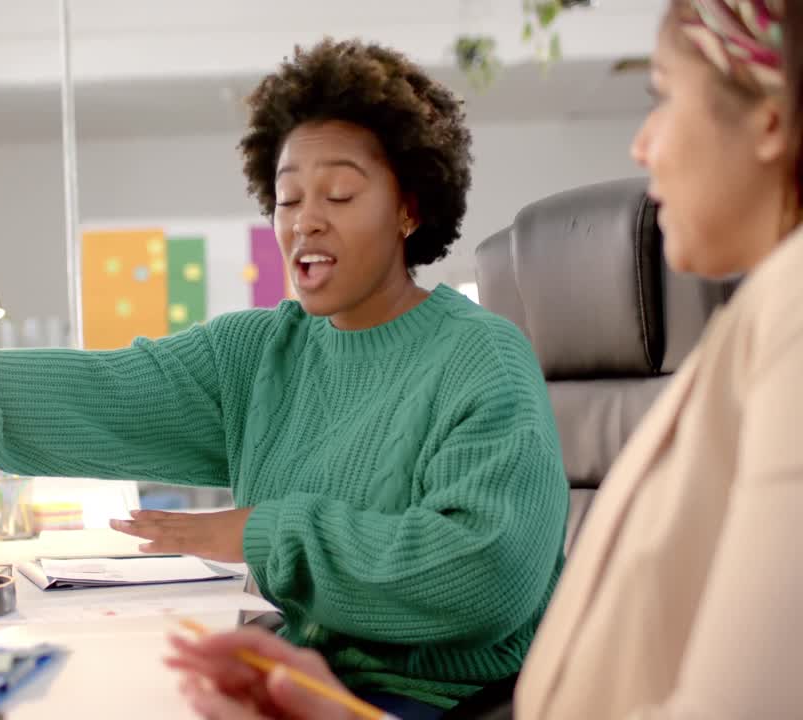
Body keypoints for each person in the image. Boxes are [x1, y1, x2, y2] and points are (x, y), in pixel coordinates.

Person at [0, 38, 568, 718]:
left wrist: (265, 533)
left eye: (340, 194)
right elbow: (106, 390)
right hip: (293, 677)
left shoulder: (481, 358)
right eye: (287, 199)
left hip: (425, 703)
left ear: (408, 209)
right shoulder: (259, 354)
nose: (305, 221)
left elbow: (485, 574)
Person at [164, 1, 803, 718]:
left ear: (768, 122)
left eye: (663, 98)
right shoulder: (756, 322)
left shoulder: (791, 328)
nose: (642, 143)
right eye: (288, 198)